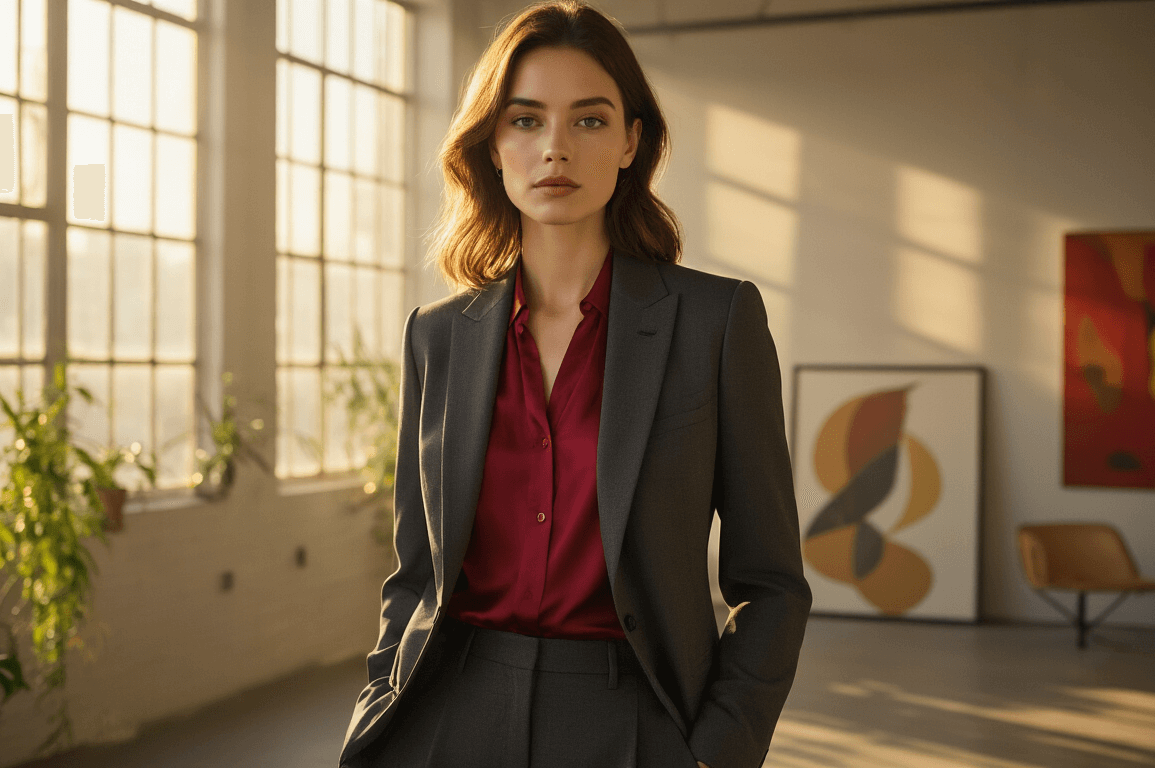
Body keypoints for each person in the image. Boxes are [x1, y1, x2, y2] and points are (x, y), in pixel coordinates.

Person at [338, 2, 811, 767]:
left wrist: (720, 747)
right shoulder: (437, 336)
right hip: (448, 712)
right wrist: (375, 714)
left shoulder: (715, 323)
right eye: (525, 121)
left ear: (631, 140)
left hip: (634, 717)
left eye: (588, 121)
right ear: (492, 145)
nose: (554, 147)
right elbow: (417, 574)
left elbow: (773, 583)